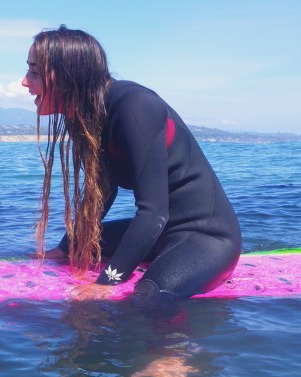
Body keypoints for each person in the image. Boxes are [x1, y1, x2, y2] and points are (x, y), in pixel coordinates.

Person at [21, 25, 242, 308]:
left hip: (206, 237)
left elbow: (153, 211)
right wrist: (68, 248)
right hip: (161, 233)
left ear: (68, 76)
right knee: (86, 250)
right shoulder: (86, 115)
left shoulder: (135, 106)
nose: (25, 82)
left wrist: (107, 283)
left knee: (147, 298)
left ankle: (174, 351)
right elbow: (103, 191)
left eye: (35, 72)